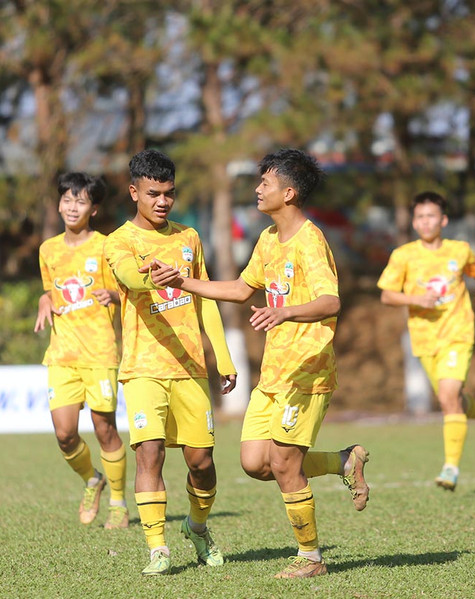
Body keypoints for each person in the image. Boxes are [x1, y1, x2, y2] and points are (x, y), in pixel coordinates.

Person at [175, 148, 369, 579]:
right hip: (274, 372)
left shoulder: (310, 240)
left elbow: (330, 300)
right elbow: (244, 289)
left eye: (265, 183)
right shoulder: (266, 240)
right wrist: (184, 282)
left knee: (282, 464)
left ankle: (311, 558)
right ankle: (343, 461)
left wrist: (285, 311)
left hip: (308, 372)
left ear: (290, 192)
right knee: (254, 463)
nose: (257, 189)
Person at [103, 149, 237, 575]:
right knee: (150, 454)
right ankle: (157, 547)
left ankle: (197, 527)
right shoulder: (119, 241)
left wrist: (224, 357)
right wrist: (151, 277)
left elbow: (207, 298)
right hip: (142, 368)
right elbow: (127, 277)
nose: (162, 201)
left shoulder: (190, 237)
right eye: (153, 193)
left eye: (169, 194)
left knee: (202, 462)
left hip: (191, 368)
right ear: (134, 192)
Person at [377, 191, 475, 492]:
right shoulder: (403, 255)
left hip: (458, 333)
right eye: (420, 216)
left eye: (431, 215)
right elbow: (386, 295)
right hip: (424, 339)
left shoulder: (459, 250)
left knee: (448, 397)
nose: (425, 221)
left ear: (443, 220)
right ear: (414, 221)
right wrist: (417, 299)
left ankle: (450, 468)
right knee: (452, 401)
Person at [33, 172, 128, 530]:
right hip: (61, 354)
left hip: (100, 352)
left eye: (81, 201)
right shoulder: (48, 249)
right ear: (59, 204)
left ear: (94, 208)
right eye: (67, 200)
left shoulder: (106, 246)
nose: (72, 207)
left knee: (105, 430)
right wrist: (44, 299)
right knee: (64, 434)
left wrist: (114, 296)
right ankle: (93, 480)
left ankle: (118, 503)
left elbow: (129, 291)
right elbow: (49, 290)